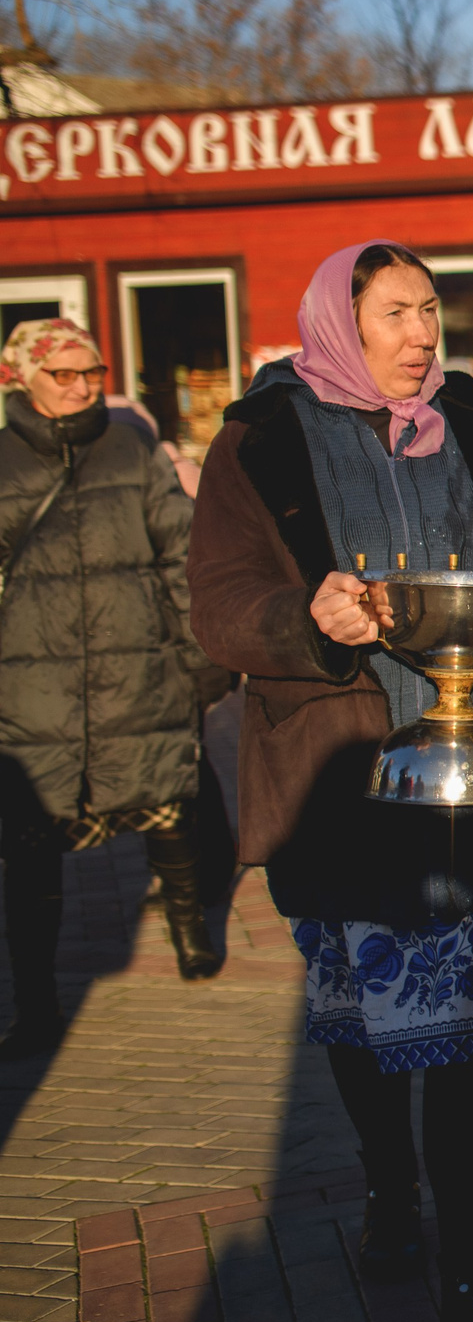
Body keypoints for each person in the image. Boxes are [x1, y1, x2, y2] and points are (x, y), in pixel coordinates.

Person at [190, 241, 473, 1322]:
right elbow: (221, 604)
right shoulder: (262, 439)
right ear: (339, 321)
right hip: (341, 777)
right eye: (398, 314)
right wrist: (304, 613)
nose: (423, 336)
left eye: (431, 313)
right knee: (366, 1022)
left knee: (471, 1029)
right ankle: (386, 1185)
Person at [0, 318, 226, 1058]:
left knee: (166, 804)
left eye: (89, 371)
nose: (78, 386)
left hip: (137, 666)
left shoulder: (130, 446)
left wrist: (200, 653)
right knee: (31, 845)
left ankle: (192, 932)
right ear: (20, 379)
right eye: (60, 374)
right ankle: (35, 1000)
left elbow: (180, 552)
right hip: (32, 684)